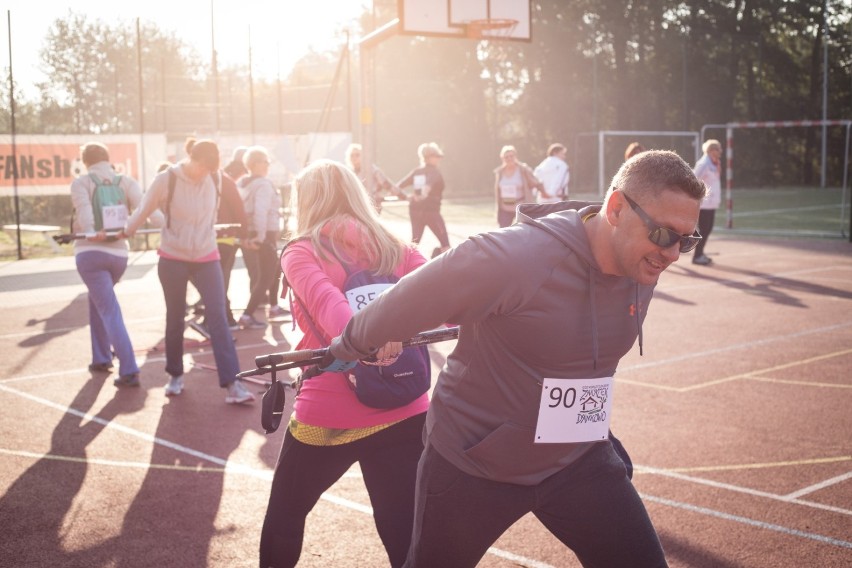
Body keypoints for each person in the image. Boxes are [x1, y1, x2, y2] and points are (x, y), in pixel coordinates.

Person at [322, 150, 707, 567]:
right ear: (616, 208)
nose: (671, 254)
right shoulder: (516, 256)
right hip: (474, 462)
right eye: (665, 235)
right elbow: (403, 303)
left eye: (686, 241)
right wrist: (347, 347)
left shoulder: (641, 264)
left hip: (574, 456)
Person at [259, 159, 428, 568]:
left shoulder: (301, 250)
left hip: (330, 414)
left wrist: (371, 336)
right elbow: (446, 300)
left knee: (284, 519)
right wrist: (390, 331)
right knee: (403, 528)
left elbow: (331, 312)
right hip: (406, 407)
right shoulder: (394, 245)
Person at [122, 138, 255, 404]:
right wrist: (127, 230)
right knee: (176, 316)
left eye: (210, 170)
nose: (204, 174)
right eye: (201, 168)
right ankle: (175, 375)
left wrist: (247, 232)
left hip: (207, 255)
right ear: (192, 159)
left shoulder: (215, 178)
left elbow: (237, 208)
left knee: (218, 316)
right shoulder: (167, 179)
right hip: (173, 257)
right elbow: (144, 210)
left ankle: (233, 384)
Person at [70, 142, 164, 387]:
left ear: (86, 161)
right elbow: (148, 209)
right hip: (119, 256)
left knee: (109, 309)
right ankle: (101, 357)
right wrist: (171, 227)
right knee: (99, 301)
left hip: (90, 254)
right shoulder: (126, 181)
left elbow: (84, 212)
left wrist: (91, 232)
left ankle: (129, 368)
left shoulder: (81, 182)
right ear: (107, 159)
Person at [236, 145, 281, 329]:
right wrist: (261, 237)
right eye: (265, 161)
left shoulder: (242, 184)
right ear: (255, 164)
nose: (268, 165)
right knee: (266, 276)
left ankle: (275, 306)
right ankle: (247, 315)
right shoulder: (262, 184)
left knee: (275, 269)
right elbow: (260, 211)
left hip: (255, 232)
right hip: (265, 233)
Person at [397, 142, 451, 258]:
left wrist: (406, 197)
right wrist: (422, 195)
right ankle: (446, 270)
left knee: (414, 243)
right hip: (431, 211)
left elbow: (397, 187)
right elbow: (427, 187)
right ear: (428, 157)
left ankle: (405, 264)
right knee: (445, 244)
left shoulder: (417, 172)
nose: (438, 159)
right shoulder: (435, 172)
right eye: (436, 156)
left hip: (415, 210)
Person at [345, 142, 404, 214]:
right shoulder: (348, 172)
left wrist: (404, 196)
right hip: (355, 207)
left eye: (357, 155)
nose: (354, 158)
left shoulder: (371, 169)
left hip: (372, 205)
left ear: (363, 156)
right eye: (352, 155)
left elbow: (386, 183)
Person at [494, 145, 543, 228]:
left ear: (515, 156)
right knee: (503, 233)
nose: (509, 158)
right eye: (506, 157)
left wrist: (541, 189)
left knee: (523, 232)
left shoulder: (523, 169)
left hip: (521, 208)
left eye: (511, 156)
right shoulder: (499, 172)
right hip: (504, 208)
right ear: (502, 158)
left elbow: (535, 182)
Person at [692, 139, 723, 266]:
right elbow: (694, 179)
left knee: (708, 229)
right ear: (710, 150)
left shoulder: (715, 163)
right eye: (717, 149)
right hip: (704, 204)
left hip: (712, 203)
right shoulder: (704, 163)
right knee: (703, 230)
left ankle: (700, 253)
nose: (720, 151)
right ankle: (697, 256)